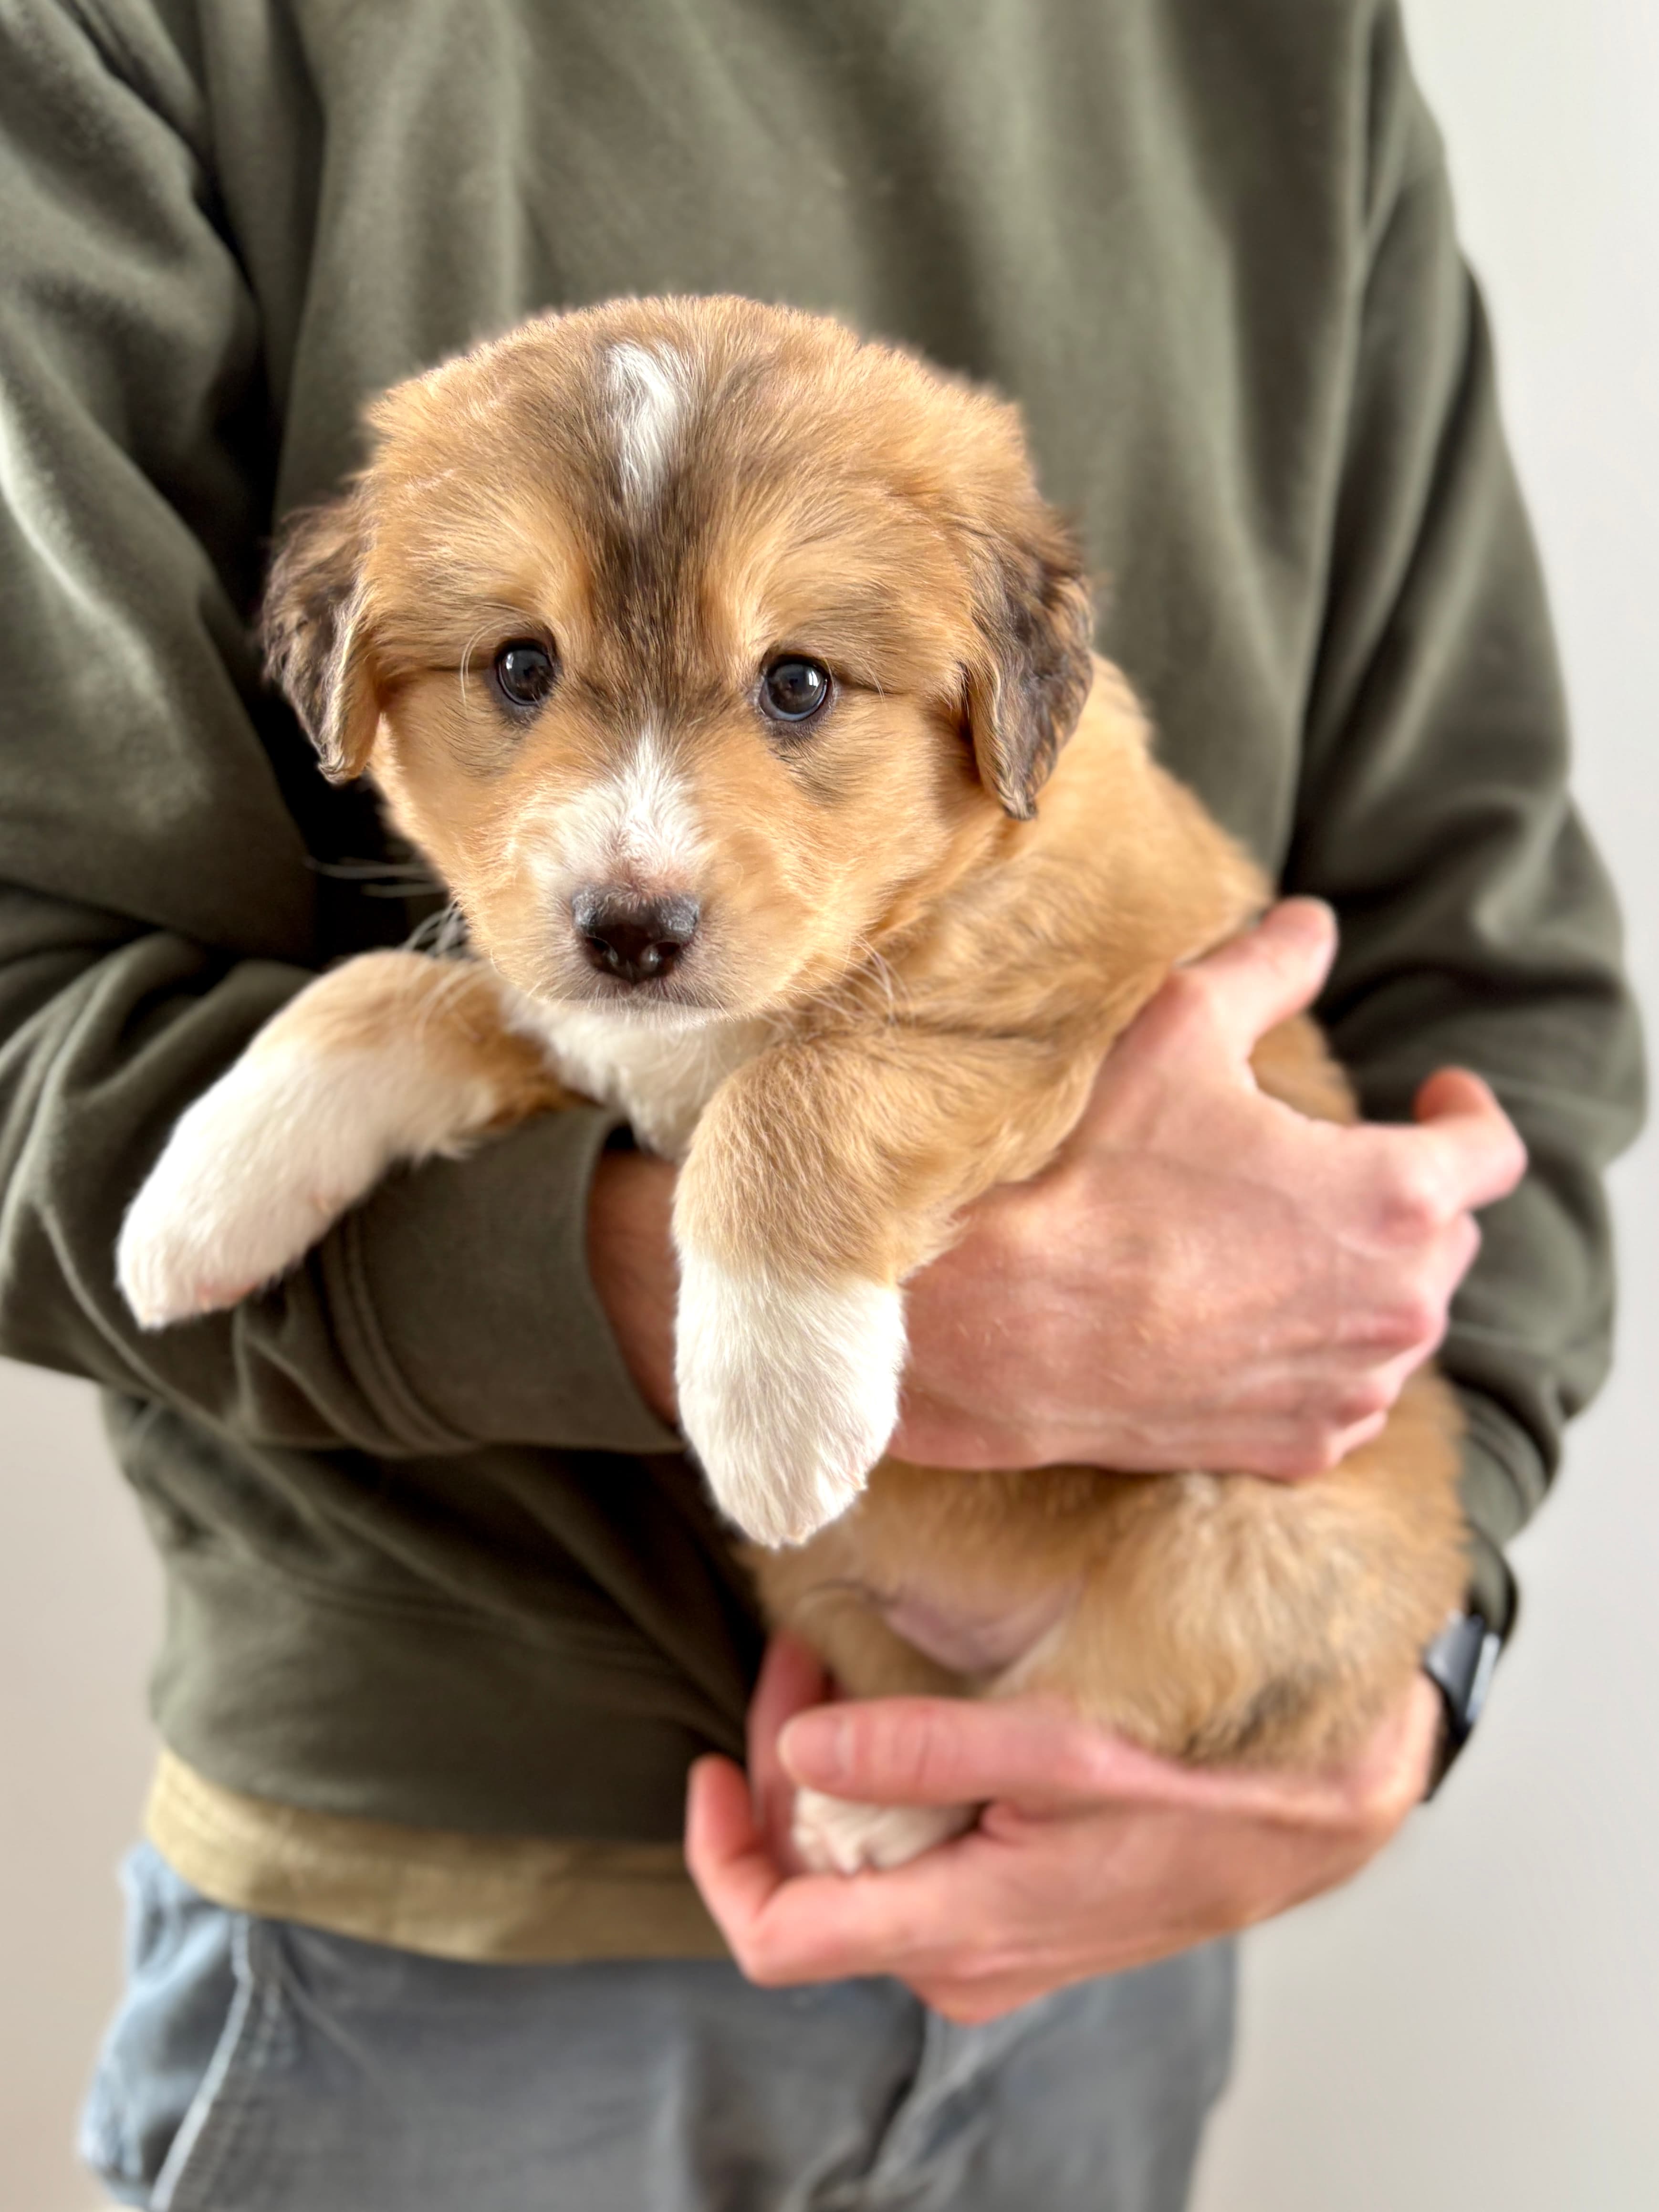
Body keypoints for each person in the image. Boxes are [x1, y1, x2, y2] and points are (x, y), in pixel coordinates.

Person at [0, 0, 1639, 2207]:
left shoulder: (1288, 45)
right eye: (518, 678)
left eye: (797, 689)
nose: (644, 844)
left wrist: (1409, 1667)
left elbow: (1494, 982)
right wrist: (671, 1267)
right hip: (433, 1945)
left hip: (1127, 1913)